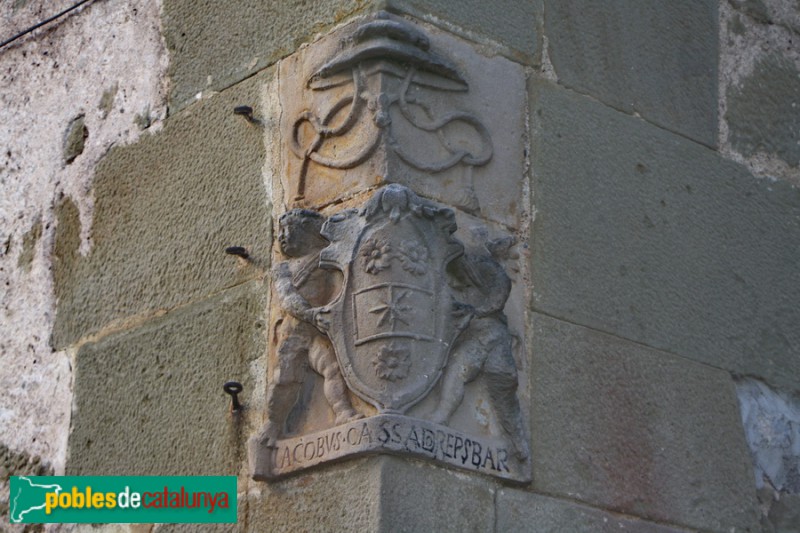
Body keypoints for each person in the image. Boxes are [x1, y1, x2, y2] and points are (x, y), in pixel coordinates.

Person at [261, 209, 360, 445]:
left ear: (308, 232)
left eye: (289, 231)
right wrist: (311, 314)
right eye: (280, 232)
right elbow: (287, 298)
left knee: (332, 369)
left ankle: (343, 412)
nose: (282, 237)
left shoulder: (326, 256)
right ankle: (273, 426)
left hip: (318, 331)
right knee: (284, 380)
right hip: (294, 332)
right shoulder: (283, 269)